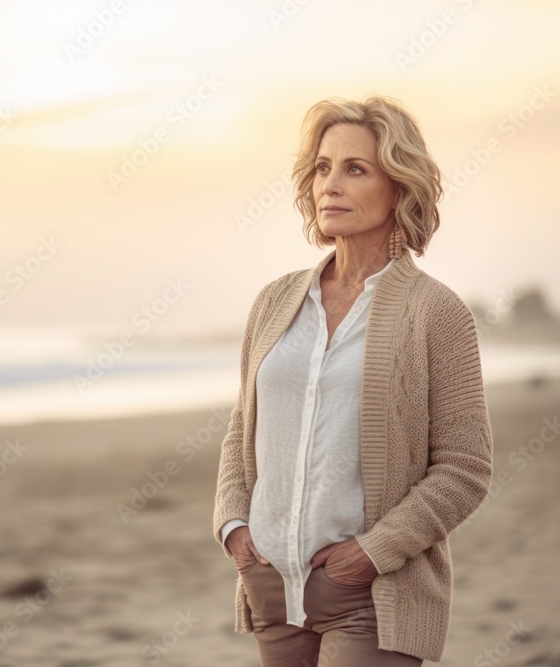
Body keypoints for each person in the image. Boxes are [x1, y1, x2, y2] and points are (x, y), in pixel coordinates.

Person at [212, 94, 494, 666]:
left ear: (399, 188)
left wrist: (369, 554)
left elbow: (466, 467)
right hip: (271, 589)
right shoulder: (275, 303)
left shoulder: (436, 312)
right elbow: (243, 429)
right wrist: (235, 528)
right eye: (322, 168)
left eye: (355, 169)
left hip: (370, 595)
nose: (330, 185)